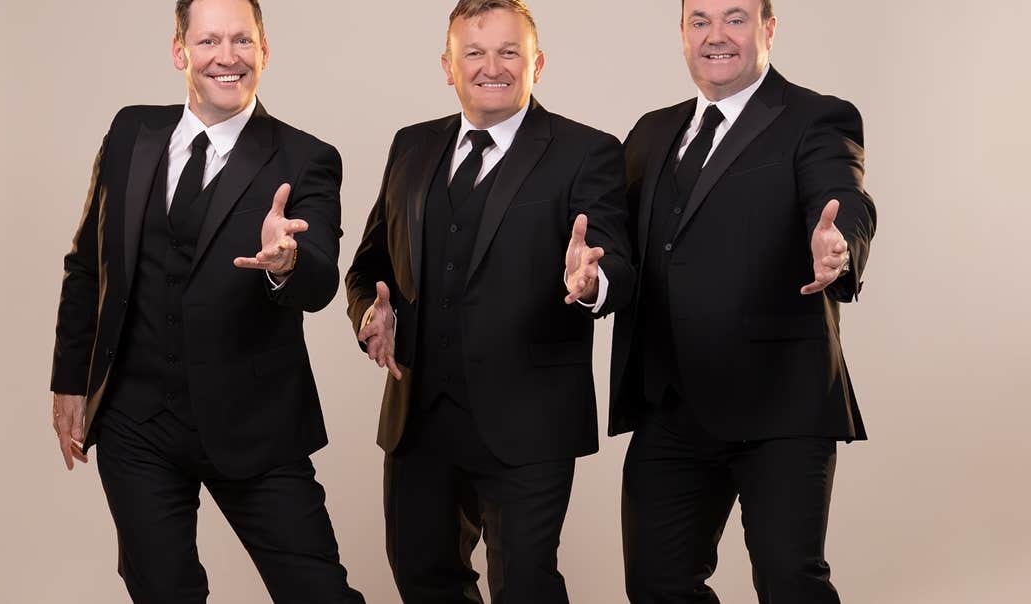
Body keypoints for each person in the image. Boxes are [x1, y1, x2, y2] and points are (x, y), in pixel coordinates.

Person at [48, 0, 365, 601]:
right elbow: (88, 265)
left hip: (257, 425)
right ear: (180, 51)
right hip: (135, 422)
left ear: (264, 52)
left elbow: (321, 280)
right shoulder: (129, 133)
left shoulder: (305, 158)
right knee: (162, 590)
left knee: (318, 592)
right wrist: (70, 379)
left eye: (242, 41)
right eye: (208, 41)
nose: (227, 57)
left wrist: (287, 262)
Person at [345, 1, 634, 601]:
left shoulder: (587, 150)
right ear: (449, 67)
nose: (491, 67)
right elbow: (370, 265)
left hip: (531, 419)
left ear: (538, 64)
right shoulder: (412, 147)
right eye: (473, 52)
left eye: (509, 52)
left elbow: (620, 269)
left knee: (525, 587)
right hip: (419, 417)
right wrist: (371, 315)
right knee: (423, 579)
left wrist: (590, 283)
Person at [611, 0, 877, 602]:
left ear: (768, 28)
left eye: (735, 17)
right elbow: (616, 244)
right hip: (671, 408)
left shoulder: (816, 118)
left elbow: (844, 197)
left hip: (779, 406)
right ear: (682, 33)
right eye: (699, 20)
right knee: (657, 585)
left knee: (789, 584)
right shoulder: (652, 132)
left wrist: (838, 246)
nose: (716, 36)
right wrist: (591, 271)